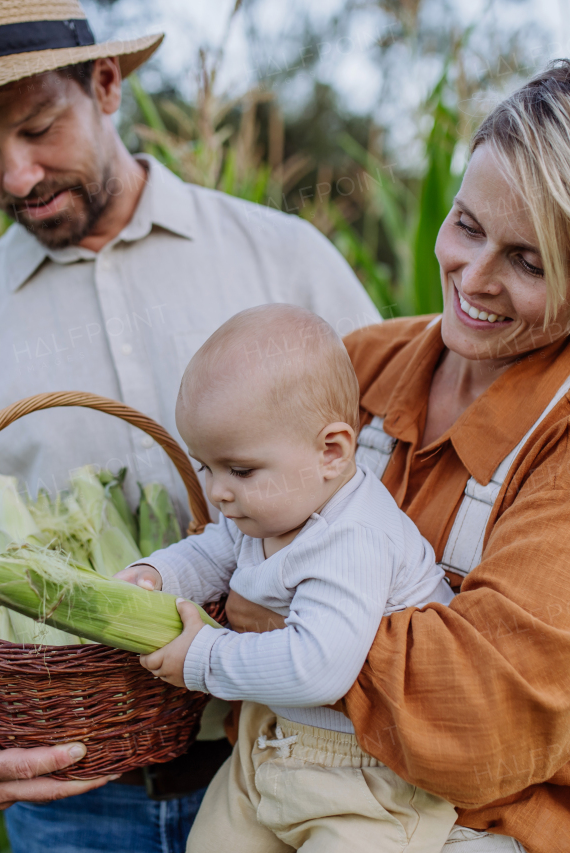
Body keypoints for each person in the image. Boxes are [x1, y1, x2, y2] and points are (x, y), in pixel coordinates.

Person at [0, 2, 381, 852]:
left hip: (301, 762)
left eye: (37, 128)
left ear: (105, 84)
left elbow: (395, 461)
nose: (18, 176)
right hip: (67, 794)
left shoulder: (281, 257)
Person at [225, 58, 570, 853]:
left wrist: (284, 622)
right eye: (468, 225)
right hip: (294, 786)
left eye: (529, 261)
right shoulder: (363, 365)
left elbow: (489, 713)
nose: (472, 278)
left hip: (484, 829)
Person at [115, 303, 457, 853]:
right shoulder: (269, 509)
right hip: (269, 744)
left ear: (331, 451)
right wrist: (157, 575)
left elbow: (318, 668)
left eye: (240, 470)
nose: (219, 492)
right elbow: (211, 554)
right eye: (206, 468)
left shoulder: (353, 539)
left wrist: (203, 658)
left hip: (368, 779)